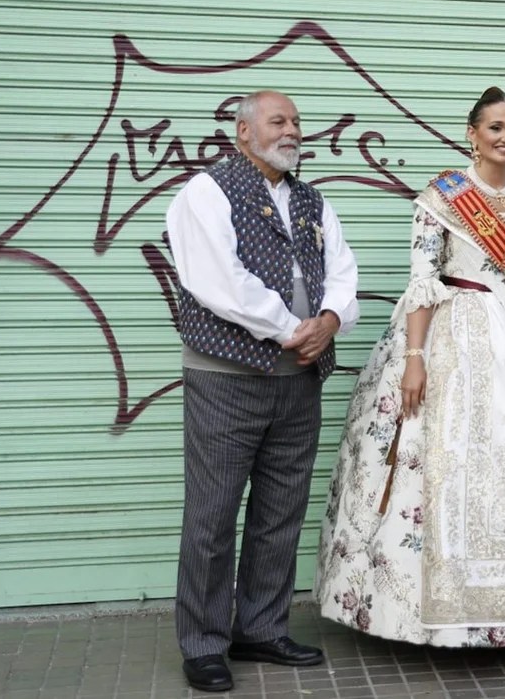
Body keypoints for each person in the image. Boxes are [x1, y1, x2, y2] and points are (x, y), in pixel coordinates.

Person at [316, 87, 505, 646]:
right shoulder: (444, 196)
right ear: (472, 133)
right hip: (458, 334)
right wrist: (414, 359)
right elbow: (423, 281)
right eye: (497, 128)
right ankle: (434, 609)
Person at [166, 90, 360, 693]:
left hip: (298, 378)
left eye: (298, 122)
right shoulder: (206, 191)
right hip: (228, 378)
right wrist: (289, 330)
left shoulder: (311, 199)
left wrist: (329, 321)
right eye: (279, 121)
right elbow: (217, 279)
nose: (293, 131)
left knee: (280, 512)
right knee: (213, 513)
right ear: (243, 132)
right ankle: (202, 643)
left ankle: (261, 628)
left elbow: (343, 271)